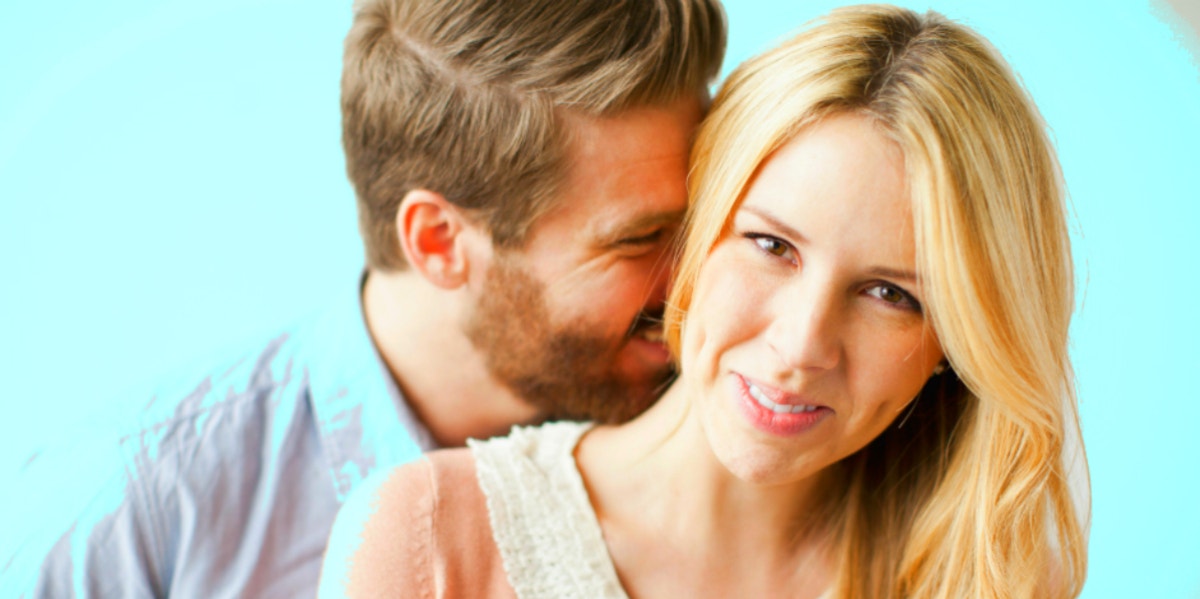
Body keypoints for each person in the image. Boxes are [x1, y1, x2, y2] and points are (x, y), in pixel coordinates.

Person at [321, 5, 1090, 598]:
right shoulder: (430, 535)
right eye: (771, 245)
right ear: (693, 234)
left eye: (891, 294)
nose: (800, 347)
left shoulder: (991, 574)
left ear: (953, 344)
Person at [3, 0, 726, 596]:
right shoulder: (131, 508)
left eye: (711, 217)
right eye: (642, 238)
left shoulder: (719, 438)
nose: (701, 276)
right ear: (439, 241)